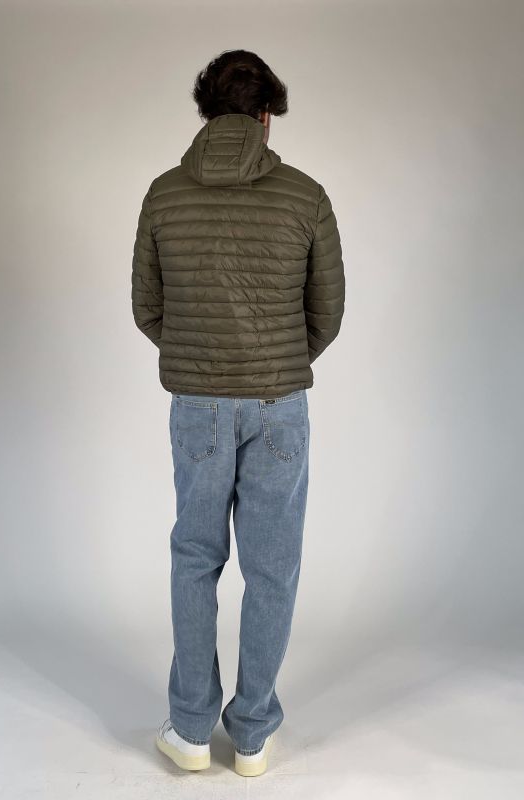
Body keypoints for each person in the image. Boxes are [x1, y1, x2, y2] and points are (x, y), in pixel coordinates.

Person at [131, 49, 345, 777]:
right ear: (265, 115)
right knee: (272, 567)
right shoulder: (306, 195)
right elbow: (326, 314)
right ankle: (251, 735)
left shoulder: (164, 194)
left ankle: (191, 731)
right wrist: (275, 361)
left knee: (195, 558)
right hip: (279, 405)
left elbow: (148, 308)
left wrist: (200, 359)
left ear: (206, 112)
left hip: (196, 406)